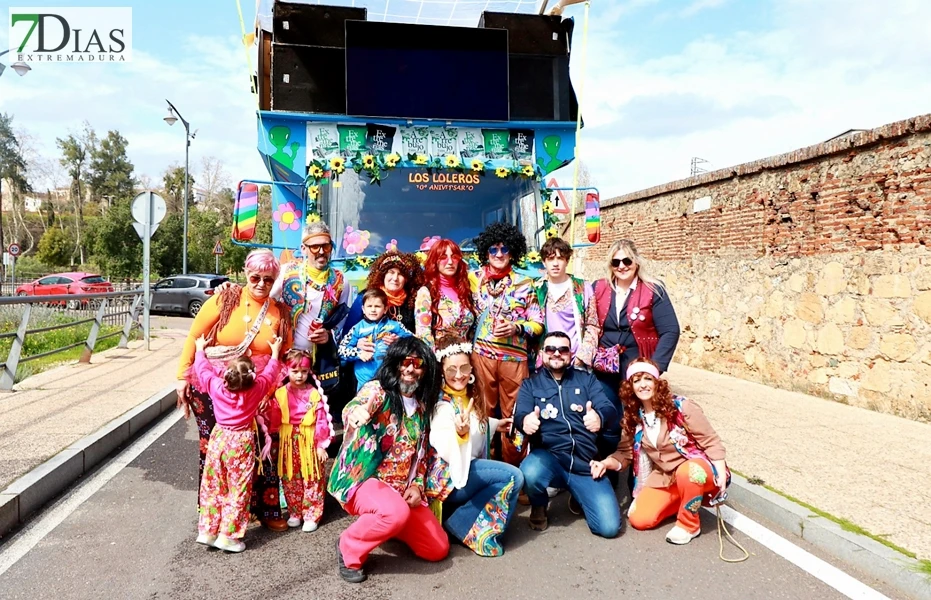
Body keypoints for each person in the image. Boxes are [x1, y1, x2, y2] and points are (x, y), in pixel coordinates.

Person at [175, 249, 292, 531]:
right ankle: (212, 517)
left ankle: (265, 508)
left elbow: (285, 352)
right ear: (245, 273)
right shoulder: (225, 298)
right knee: (214, 450)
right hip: (214, 386)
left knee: (264, 447)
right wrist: (182, 375)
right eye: (255, 277)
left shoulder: (281, 311)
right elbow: (195, 335)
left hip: (261, 389)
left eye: (268, 278)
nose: (261, 284)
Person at [327, 337, 447, 583]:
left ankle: (389, 522)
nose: (410, 368)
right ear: (394, 364)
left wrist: (417, 485)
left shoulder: (423, 409)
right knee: (393, 513)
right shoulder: (377, 391)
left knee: (437, 549)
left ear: (426, 370)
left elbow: (422, 454)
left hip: (401, 490)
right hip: (366, 480)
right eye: (404, 362)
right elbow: (356, 407)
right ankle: (349, 547)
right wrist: (357, 412)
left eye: (418, 363)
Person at [592, 358, 729, 545]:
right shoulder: (633, 417)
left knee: (689, 472)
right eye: (636, 380)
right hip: (665, 476)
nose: (643, 385)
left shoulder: (681, 407)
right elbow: (625, 453)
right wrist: (605, 463)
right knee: (639, 519)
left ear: (657, 382)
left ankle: (689, 524)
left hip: (696, 468)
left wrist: (721, 474)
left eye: (648, 379)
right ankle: (684, 499)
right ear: (630, 386)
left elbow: (710, 440)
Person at [514, 331, 621, 537]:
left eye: (563, 349)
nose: (556, 353)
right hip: (549, 458)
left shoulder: (586, 380)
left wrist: (599, 417)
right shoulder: (530, 384)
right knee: (530, 472)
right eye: (550, 349)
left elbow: (608, 407)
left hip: (584, 462)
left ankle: (579, 493)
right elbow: (521, 413)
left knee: (608, 528)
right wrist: (525, 421)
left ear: (570, 354)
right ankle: (539, 504)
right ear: (542, 354)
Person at [425, 337, 523, 557]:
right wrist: (460, 435)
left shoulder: (465, 396)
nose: (458, 375)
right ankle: (462, 524)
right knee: (513, 477)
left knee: (502, 477)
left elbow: (475, 422)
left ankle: (460, 520)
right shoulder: (441, 405)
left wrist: (495, 424)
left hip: (460, 473)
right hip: (447, 482)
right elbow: (445, 444)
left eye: (464, 367)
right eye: (451, 370)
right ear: (442, 372)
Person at [192, 333, 283, 553]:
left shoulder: (216, 386)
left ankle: (208, 531)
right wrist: (275, 352)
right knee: (237, 488)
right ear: (252, 376)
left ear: (227, 375)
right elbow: (271, 373)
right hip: (241, 440)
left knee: (214, 485)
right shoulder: (257, 388)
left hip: (219, 437)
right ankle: (229, 536)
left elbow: (202, 371)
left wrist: (199, 349)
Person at [469, 222, 543, 466]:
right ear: (485, 253)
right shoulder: (473, 280)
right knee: (483, 415)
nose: (499, 254)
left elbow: (538, 324)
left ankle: (515, 470)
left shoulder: (525, 283)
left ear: (513, 252)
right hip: (481, 358)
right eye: (493, 250)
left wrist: (516, 327)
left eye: (505, 249)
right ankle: (486, 470)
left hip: (514, 360)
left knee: (516, 416)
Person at [592, 239, 680, 413]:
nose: (622, 266)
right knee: (604, 411)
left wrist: (654, 367)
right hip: (604, 366)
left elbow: (671, 330)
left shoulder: (653, 290)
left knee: (635, 415)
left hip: (638, 365)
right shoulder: (598, 288)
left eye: (627, 261)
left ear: (636, 262)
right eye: (616, 262)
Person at [265, 348, 334, 533]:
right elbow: (274, 417)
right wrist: (271, 438)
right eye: (295, 371)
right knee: (290, 477)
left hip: (308, 439)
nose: (299, 375)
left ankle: (312, 514)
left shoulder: (314, 394)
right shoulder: (280, 393)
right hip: (288, 440)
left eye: (304, 371)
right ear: (287, 370)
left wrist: (321, 445)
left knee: (312, 476)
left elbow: (321, 420)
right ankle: (295, 512)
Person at [533, 237, 599, 371]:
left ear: (567, 261)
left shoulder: (582, 287)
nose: (555, 264)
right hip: (547, 360)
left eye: (560, 258)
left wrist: (582, 358)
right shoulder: (537, 288)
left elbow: (592, 325)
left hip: (575, 360)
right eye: (551, 259)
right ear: (544, 262)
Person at [338, 288, 414, 390]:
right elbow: (341, 350)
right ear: (363, 309)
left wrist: (399, 341)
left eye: (377, 306)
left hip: (390, 377)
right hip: (364, 379)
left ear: (385, 309)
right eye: (369, 306)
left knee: (390, 404)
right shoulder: (357, 329)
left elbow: (414, 340)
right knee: (365, 405)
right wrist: (359, 353)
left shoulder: (395, 326)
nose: (373, 310)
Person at [414, 239, 476, 349]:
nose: (450, 262)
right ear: (434, 261)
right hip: (440, 360)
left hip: (465, 360)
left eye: (454, 257)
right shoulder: (426, 292)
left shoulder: (466, 290)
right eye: (443, 257)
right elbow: (423, 334)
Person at [343, 250, 423, 333]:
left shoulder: (412, 301)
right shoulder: (365, 297)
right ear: (383, 275)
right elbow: (347, 333)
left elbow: (417, 335)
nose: (395, 278)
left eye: (400, 274)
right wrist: (358, 342)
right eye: (391, 272)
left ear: (406, 279)